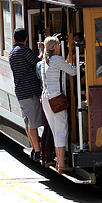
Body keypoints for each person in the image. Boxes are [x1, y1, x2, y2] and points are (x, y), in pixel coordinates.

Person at [40, 36, 78, 174]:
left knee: (55, 131)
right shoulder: (56, 59)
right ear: (56, 47)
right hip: (56, 98)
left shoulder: (45, 61)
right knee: (61, 131)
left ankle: (58, 161)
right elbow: (73, 71)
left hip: (45, 98)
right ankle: (61, 164)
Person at [9, 27, 43, 161]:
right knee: (33, 123)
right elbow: (38, 64)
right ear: (26, 39)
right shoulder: (24, 51)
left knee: (28, 122)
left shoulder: (12, 53)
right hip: (29, 91)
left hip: (20, 91)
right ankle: (37, 150)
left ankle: (35, 148)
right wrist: (42, 51)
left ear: (14, 39)